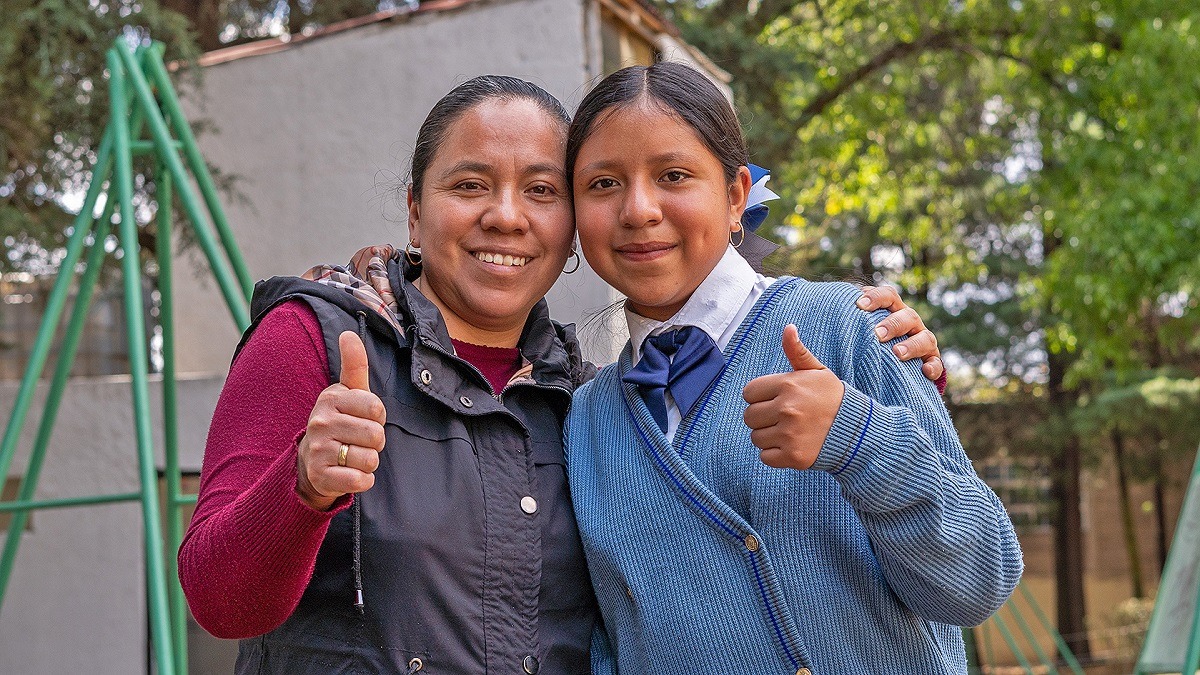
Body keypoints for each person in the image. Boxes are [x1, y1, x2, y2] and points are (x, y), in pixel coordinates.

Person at [179, 75, 947, 674]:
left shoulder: (585, 397)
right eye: (470, 184)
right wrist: (304, 487)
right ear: (415, 211)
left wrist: (896, 388)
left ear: (571, 226)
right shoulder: (314, 339)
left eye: (542, 190)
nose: (507, 216)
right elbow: (219, 601)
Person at [563, 62, 1022, 675]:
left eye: (674, 175)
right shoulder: (585, 419)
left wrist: (859, 442)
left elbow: (978, 580)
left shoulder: (847, 327)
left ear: (735, 196)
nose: (639, 209)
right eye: (603, 184)